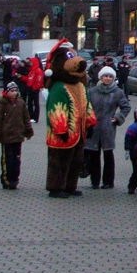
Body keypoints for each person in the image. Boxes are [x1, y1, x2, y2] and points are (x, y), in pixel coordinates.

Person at [44, 47, 96, 198]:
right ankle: (55, 187)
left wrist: (90, 122)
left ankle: (69, 186)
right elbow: (56, 110)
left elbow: (87, 105)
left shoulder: (80, 86)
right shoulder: (59, 87)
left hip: (78, 133)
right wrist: (61, 130)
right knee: (58, 162)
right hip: (62, 134)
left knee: (76, 161)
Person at [85, 65, 130, 189]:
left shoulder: (118, 92)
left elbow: (126, 107)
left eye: (110, 76)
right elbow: (86, 106)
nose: (108, 78)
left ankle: (108, 181)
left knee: (108, 154)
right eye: (105, 76)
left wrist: (118, 117)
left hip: (108, 128)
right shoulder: (92, 91)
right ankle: (94, 181)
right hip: (93, 127)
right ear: (101, 77)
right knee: (94, 154)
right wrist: (88, 119)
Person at [0, 81, 34, 189]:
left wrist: (29, 131)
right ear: (6, 92)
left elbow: (26, 118)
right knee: (7, 160)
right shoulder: (2, 104)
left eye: (15, 91)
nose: (14, 93)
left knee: (16, 159)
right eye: (12, 91)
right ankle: (6, 179)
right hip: (6, 137)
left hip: (18, 136)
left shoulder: (21, 103)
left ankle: (15, 178)